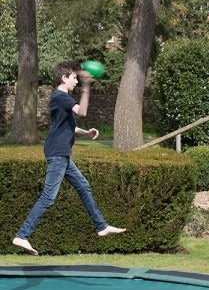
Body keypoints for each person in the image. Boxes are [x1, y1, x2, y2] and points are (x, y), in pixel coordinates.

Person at [12, 61, 125, 256]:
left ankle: (101, 226)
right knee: (48, 197)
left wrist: (86, 132)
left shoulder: (60, 99)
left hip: (61, 152)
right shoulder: (61, 97)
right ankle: (22, 235)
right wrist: (87, 87)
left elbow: (67, 127)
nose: (75, 81)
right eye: (74, 78)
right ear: (64, 78)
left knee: (83, 186)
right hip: (58, 153)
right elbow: (82, 111)